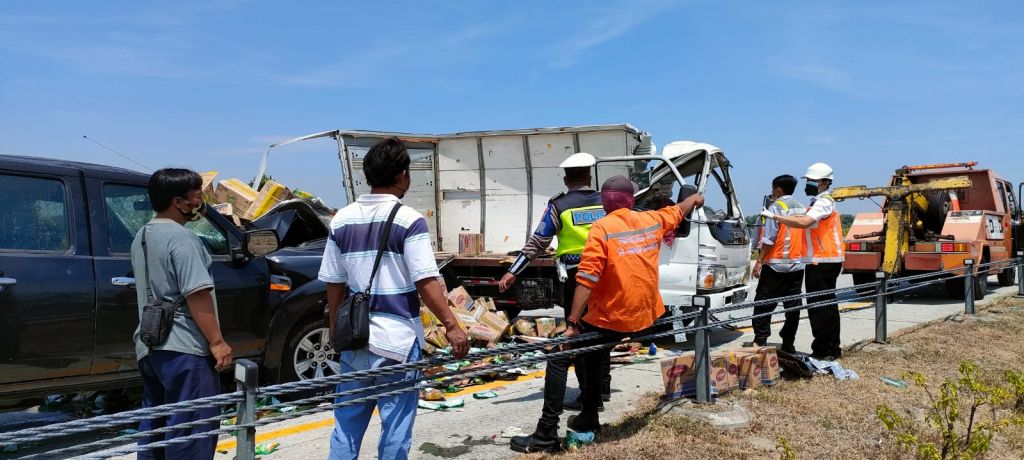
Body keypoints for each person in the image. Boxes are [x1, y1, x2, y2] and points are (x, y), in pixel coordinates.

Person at [511, 176, 704, 452]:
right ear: (631, 201)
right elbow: (679, 209)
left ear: (604, 202)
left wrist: (572, 322)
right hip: (646, 316)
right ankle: (588, 418)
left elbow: (587, 279)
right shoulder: (652, 219)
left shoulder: (602, 228)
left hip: (615, 318)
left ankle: (546, 435)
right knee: (591, 353)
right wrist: (694, 198)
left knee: (558, 357)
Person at [320, 137, 469, 460]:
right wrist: (451, 325)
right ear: (403, 175)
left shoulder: (341, 220)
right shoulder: (409, 220)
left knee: (346, 427)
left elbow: (334, 282)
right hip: (397, 343)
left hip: (355, 340)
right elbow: (425, 280)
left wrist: (334, 328)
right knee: (395, 429)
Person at [498, 152, 612, 411]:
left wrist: (514, 270)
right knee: (602, 331)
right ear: (589, 176)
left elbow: (538, 242)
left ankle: (589, 397)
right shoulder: (605, 203)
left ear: (566, 179)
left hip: (577, 278)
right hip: (606, 277)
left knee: (578, 333)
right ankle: (603, 388)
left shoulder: (559, 205)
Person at [132, 168, 232, 460]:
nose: (200, 204)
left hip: (150, 346)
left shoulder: (142, 235)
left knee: (156, 427)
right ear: (178, 202)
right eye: (197, 197)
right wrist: (217, 342)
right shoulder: (182, 238)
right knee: (191, 432)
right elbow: (197, 294)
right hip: (185, 349)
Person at [761, 163, 845, 359]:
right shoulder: (816, 202)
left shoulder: (824, 202)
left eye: (812, 181)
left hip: (824, 261)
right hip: (820, 260)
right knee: (822, 305)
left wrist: (775, 216)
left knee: (821, 307)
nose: (808, 184)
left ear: (824, 182)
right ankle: (827, 348)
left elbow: (805, 222)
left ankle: (826, 350)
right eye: (808, 180)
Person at [750, 175, 807, 354]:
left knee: (763, 304)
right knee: (793, 306)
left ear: (778, 189)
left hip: (776, 265)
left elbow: (769, 239)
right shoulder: (801, 207)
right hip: (796, 265)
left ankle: (760, 340)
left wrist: (759, 262)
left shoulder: (775, 208)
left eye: (773, 188)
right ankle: (789, 343)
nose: (772, 192)